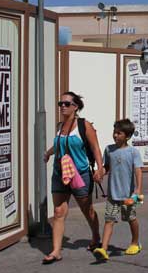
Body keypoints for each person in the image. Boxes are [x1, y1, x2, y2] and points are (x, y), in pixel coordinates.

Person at [42, 92, 104, 264]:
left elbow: (95, 148)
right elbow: (58, 145)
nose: (62, 106)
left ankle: (96, 236)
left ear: (76, 107)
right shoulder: (59, 126)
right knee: (58, 212)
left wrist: (100, 169)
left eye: (67, 104)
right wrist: (48, 154)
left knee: (87, 209)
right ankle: (56, 251)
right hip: (60, 173)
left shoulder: (84, 126)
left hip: (80, 173)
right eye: (60, 103)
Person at [94, 119, 143, 261]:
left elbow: (138, 171)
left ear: (127, 136)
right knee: (109, 220)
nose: (115, 135)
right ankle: (103, 249)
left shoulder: (133, 152)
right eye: (114, 132)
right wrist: (100, 173)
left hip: (128, 196)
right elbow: (107, 167)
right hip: (112, 195)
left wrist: (138, 190)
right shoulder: (109, 149)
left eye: (119, 133)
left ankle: (135, 243)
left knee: (130, 218)